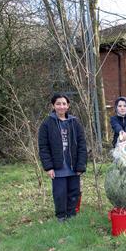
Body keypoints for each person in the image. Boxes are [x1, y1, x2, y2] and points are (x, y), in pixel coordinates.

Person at [38, 94, 87, 222]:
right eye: (58, 104)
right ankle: (61, 216)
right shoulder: (47, 124)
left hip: (73, 166)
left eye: (64, 103)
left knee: (73, 192)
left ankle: (71, 215)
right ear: (53, 106)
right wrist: (48, 167)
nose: (61, 106)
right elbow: (43, 147)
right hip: (58, 167)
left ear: (68, 105)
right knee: (60, 194)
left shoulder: (74, 123)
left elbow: (82, 145)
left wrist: (81, 165)